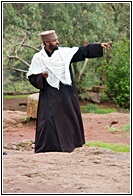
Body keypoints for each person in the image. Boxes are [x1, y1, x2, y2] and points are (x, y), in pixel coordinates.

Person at [27, 30, 112, 153]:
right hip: (49, 94)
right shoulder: (38, 58)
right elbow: (32, 77)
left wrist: (99, 46)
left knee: (68, 118)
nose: (57, 42)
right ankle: (49, 147)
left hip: (66, 92)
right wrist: (42, 77)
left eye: (56, 40)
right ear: (46, 42)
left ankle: (70, 145)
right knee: (47, 120)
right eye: (54, 40)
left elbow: (82, 51)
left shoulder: (64, 53)